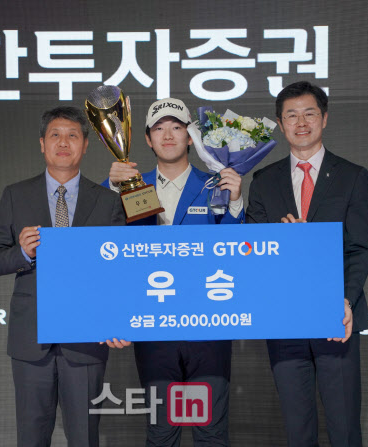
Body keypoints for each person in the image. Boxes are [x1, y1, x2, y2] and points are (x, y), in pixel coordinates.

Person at [0, 106, 127, 447]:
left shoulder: (107, 201)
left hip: (87, 339)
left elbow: (120, 271)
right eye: (55, 135)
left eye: (72, 136)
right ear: (42, 144)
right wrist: (22, 253)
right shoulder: (16, 195)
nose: (64, 143)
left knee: (84, 437)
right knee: (31, 437)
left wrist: (117, 318)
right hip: (31, 339)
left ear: (85, 145)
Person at [105, 97, 243, 446]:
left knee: (211, 432)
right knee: (161, 432)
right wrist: (112, 189)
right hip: (153, 326)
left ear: (191, 137)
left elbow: (234, 252)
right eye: (159, 128)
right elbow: (108, 250)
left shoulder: (216, 185)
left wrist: (236, 202)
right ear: (147, 139)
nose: (168, 135)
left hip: (208, 324)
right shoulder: (130, 185)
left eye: (177, 127)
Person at [246, 81, 368, 446]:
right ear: (280, 123)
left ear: (324, 118)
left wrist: (343, 301)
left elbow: (359, 249)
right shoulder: (264, 181)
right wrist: (284, 243)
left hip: (337, 318)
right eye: (291, 115)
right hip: (285, 318)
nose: (301, 123)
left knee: (344, 429)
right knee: (297, 430)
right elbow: (252, 251)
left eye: (309, 114)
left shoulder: (352, 176)